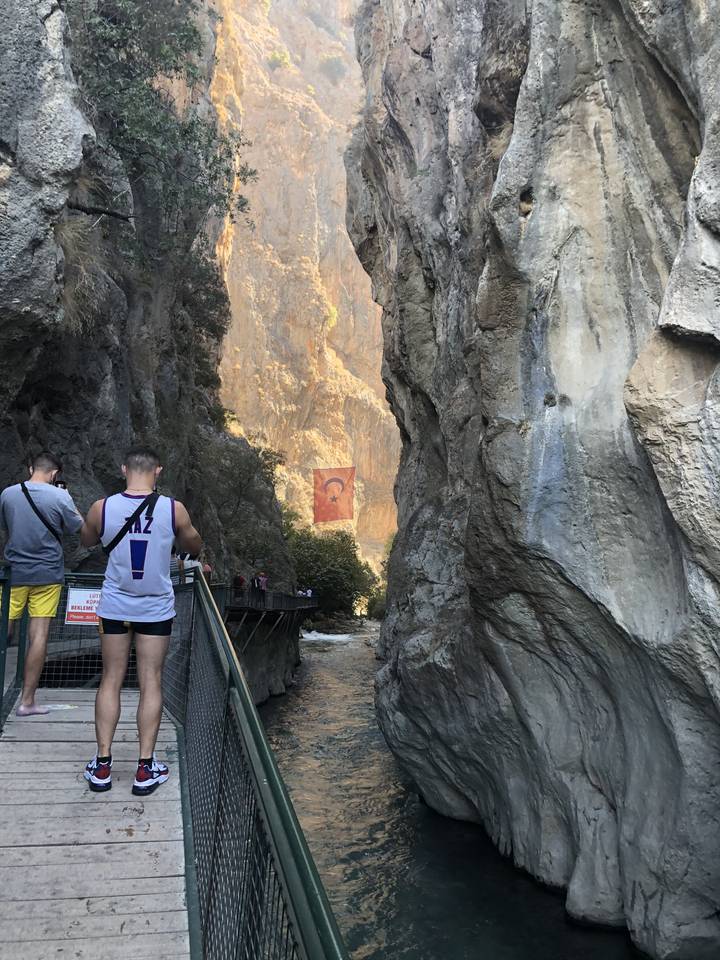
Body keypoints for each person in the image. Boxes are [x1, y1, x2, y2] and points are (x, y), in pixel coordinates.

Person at [80, 446, 202, 795]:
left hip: (115, 606)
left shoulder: (102, 507)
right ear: (158, 471)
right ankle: (145, 769)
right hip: (155, 609)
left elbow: (86, 539)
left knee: (111, 679)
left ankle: (102, 765)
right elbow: (194, 544)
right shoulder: (172, 509)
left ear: (123, 469)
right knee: (151, 681)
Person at [0, 451, 83, 716]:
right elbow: (77, 528)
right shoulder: (61, 496)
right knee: (39, 636)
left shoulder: (8, 494)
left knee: (4, 628)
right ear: (55, 473)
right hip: (47, 575)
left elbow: (7, 527)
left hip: (14, 573)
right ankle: (26, 702)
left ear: (30, 468)